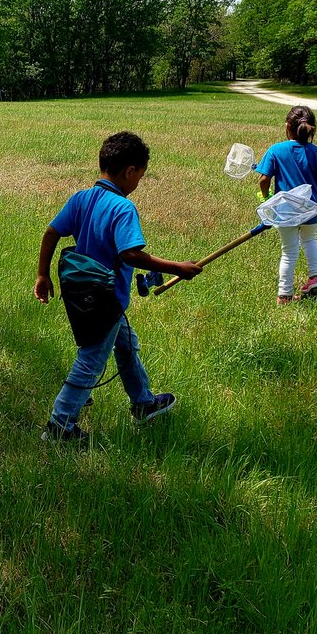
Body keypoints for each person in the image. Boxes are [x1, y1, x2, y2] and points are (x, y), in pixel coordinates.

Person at [34, 131, 202, 443]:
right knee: (91, 360)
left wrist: (43, 275)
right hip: (105, 298)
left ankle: (143, 403)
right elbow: (130, 254)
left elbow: (50, 233)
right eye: (140, 175)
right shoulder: (122, 208)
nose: (139, 181)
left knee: (125, 345)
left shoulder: (81, 198)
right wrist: (176, 267)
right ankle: (59, 427)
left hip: (78, 291)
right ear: (129, 172)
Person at [256, 105, 317, 304]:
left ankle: (284, 294)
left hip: (286, 213)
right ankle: (315, 278)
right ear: (312, 129)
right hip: (312, 210)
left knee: (289, 251)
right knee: (310, 240)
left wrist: (266, 198)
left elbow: (263, 179)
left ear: (287, 127)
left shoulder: (276, 150)